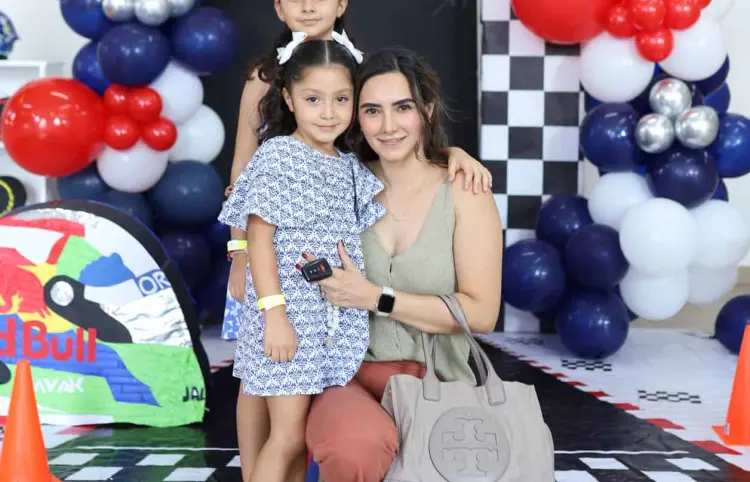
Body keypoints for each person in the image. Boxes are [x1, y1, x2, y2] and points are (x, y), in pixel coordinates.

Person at [304, 47, 504, 482]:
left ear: (426, 110)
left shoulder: (465, 190)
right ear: (356, 118)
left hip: (442, 379)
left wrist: (376, 298)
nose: (388, 126)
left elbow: (482, 314)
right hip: (350, 376)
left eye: (403, 108)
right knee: (353, 446)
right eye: (372, 111)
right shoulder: (338, 183)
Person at [218, 36, 383, 482]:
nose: (328, 112)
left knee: (300, 442)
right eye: (313, 99)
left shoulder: (346, 164)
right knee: (287, 436)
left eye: (341, 99)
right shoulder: (279, 155)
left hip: (324, 320)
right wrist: (275, 316)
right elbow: (259, 238)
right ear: (289, 99)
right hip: (286, 316)